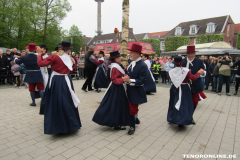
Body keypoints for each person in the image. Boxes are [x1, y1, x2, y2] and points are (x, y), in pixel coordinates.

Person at [37, 41, 81, 134]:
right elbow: (72, 71)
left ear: (61, 48)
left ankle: (58, 126)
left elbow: (41, 64)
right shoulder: (69, 58)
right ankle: (71, 124)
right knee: (68, 101)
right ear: (68, 49)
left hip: (57, 81)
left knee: (57, 101)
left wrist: (39, 54)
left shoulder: (55, 56)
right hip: (66, 81)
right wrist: (74, 64)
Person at [92, 50, 130, 130]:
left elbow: (120, 73)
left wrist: (127, 69)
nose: (120, 58)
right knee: (116, 106)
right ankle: (116, 123)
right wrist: (123, 79)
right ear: (115, 58)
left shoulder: (115, 65)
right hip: (117, 88)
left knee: (115, 105)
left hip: (118, 88)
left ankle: (118, 123)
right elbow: (115, 79)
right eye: (119, 57)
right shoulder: (115, 67)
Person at [167, 56, 204, 127]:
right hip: (184, 89)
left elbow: (169, 77)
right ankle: (182, 120)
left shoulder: (171, 72)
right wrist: (198, 72)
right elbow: (193, 78)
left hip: (174, 89)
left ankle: (173, 118)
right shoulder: (186, 71)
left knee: (174, 102)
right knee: (184, 104)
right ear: (181, 63)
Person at [122, 43, 148, 135]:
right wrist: (126, 77)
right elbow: (129, 73)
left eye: (132, 53)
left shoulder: (143, 65)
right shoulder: (132, 63)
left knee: (132, 109)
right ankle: (135, 119)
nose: (130, 54)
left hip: (136, 91)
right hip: (129, 90)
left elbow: (142, 81)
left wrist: (129, 80)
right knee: (131, 107)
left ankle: (132, 126)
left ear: (137, 54)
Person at [182, 45, 206, 124]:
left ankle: (190, 116)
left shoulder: (199, 61)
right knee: (185, 102)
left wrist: (202, 73)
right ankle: (184, 117)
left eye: (192, 53)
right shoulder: (183, 61)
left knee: (194, 102)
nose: (190, 55)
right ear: (186, 53)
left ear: (195, 53)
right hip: (185, 85)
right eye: (189, 53)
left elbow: (204, 71)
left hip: (196, 85)